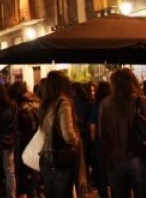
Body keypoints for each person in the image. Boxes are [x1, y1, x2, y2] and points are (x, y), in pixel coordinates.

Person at [99, 67, 146, 198]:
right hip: (141, 158)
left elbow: (101, 133)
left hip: (114, 159)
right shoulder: (143, 101)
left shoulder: (105, 104)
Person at [38, 70, 84, 198]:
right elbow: (68, 135)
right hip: (61, 158)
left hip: (47, 157)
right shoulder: (63, 103)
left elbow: (43, 131)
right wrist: (78, 142)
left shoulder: (46, 104)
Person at [9, 81, 41, 198]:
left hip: (25, 138)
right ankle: (33, 190)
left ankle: (25, 191)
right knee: (33, 165)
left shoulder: (23, 106)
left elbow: (28, 125)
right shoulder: (36, 102)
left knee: (23, 166)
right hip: (36, 138)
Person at [88, 80, 111, 198]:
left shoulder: (96, 105)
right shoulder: (113, 103)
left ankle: (103, 195)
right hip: (113, 141)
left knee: (102, 172)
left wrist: (93, 139)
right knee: (114, 170)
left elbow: (93, 125)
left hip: (100, 141)